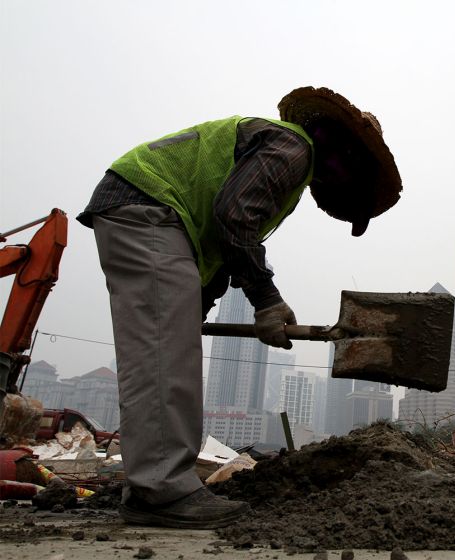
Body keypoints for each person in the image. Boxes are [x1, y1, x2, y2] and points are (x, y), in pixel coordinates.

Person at [77, 87, 402, 528]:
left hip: (155, 214)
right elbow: (235, 218)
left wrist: (196, 309)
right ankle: (161, 492)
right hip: (149, 208)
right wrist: (267, 301)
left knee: (173, 350)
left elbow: (218, 243)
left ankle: (151, 487)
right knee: (165, 357)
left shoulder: (285, 154)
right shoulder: (293, 147)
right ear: (345, 154)